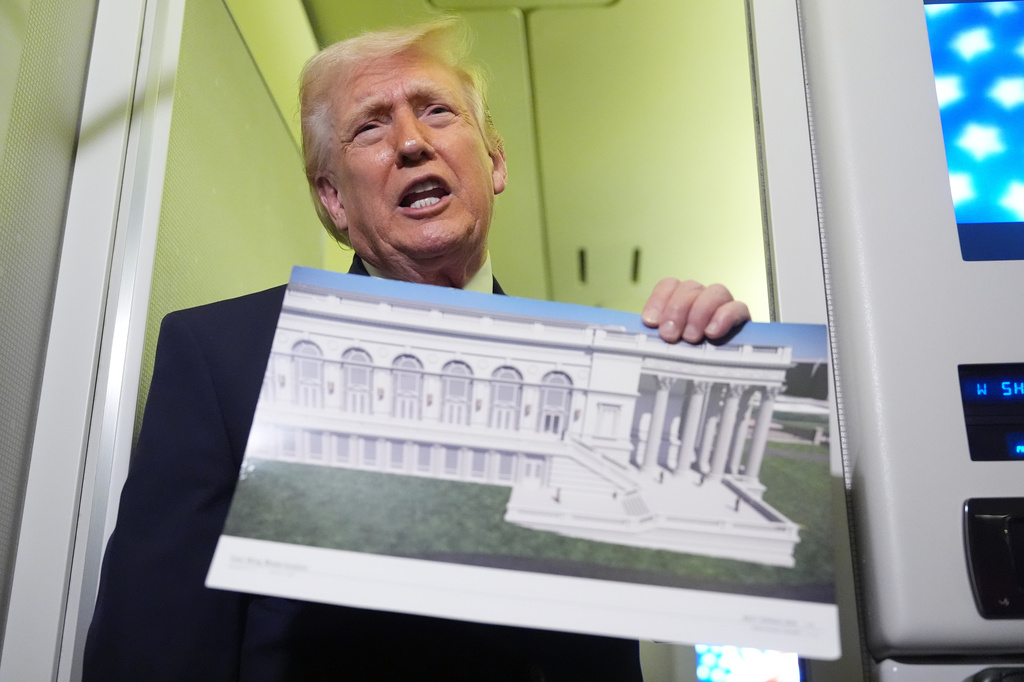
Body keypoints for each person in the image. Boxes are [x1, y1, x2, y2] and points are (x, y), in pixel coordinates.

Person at [84, 18, 750, 681]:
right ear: (333, 199)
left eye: (437, 111)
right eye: (370, 127)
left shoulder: (602, 380)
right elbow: (150, 651)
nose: (411, 142)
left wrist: (707, 371)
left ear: (494, 161)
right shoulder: (224, 358)